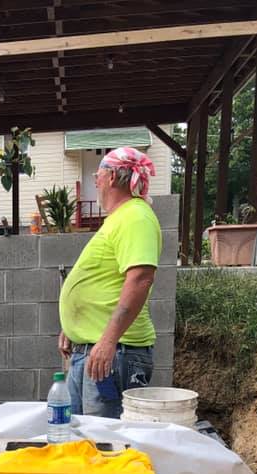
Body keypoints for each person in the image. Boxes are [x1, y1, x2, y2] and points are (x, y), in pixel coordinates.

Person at [58, 146, 161, 418]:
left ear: (112, 176)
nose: (96, 181)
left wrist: (108, 341)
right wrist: (74, 327)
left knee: (104, 438)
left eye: (98, 175)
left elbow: (140, 278)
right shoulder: (120, 218)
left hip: (114, 353)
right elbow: (106, 279)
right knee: (79, 435)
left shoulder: (136, 216)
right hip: (95, 351)